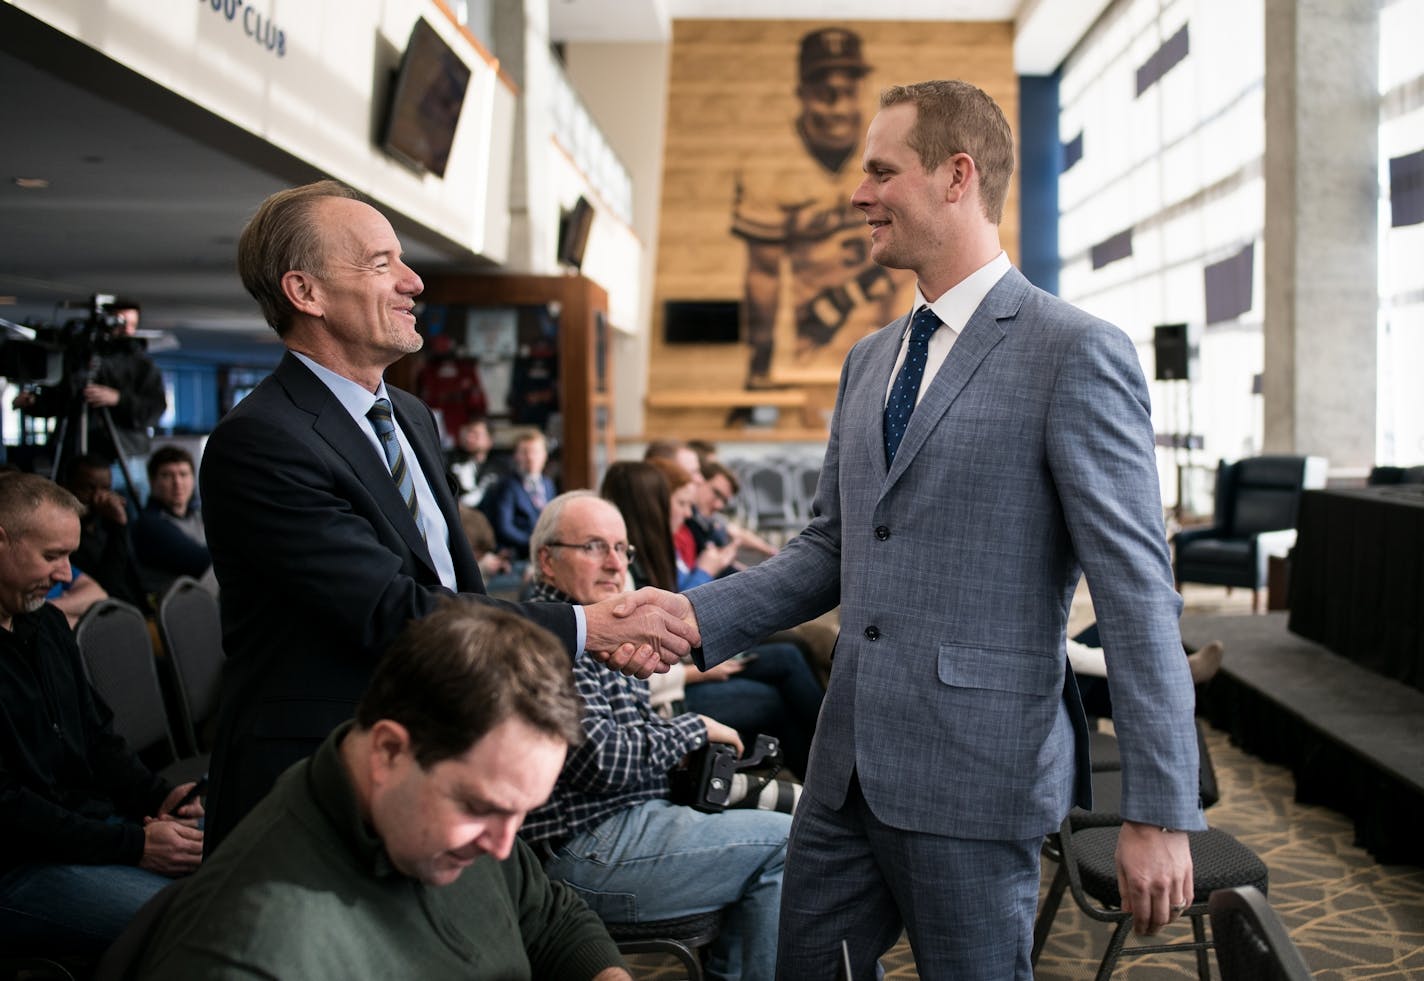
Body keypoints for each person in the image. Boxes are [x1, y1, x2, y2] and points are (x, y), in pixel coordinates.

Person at [658, 81, 1203, 979]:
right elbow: (830, 549)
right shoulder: (871, 358)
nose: (858, 193)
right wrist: (689, 618)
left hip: (976, 775)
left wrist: (1157, 809)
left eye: (881, 170)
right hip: (842, 772)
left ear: (957, 176)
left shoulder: (1074, 352)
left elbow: (1137, 594)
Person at [199, 181, 692, 855]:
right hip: (317, 784)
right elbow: (391, 611)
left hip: (433, 756)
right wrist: (587, 625)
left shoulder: (410, 416)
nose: (413, 280)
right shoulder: (262, 440)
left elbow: (459, 595)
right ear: (304, 292)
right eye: (381, 263)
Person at [135, 600, 631, 981]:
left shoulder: (449, 811)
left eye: (522, 813)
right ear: (390, 751)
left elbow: (550, 916)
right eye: (481, 808)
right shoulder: (253, 952)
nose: (503, 845)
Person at [521, 492, 789, 981]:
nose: (613, 563)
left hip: (629, 820)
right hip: (583, 849)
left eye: (622, 550)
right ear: (548, 561)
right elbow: (602, 761)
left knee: (800, 816)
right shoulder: (547, 638)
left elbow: (628, 737)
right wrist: (694, 728)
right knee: (790, 844)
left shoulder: (600, 623)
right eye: (594, 547)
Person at [0, 473, 203, 953]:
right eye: (52, 556)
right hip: (18, 866)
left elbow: (97, 737)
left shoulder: (47, 623)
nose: (67, 575)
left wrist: (158, 797)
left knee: (235, 873)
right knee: (193, 924)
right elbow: (9, 809)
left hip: (88, 831)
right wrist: (134, 847)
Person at [603, 461, 823, 779]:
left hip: (675, 668)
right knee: (778, 688)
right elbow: (640, 663)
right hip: (668, 691)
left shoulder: (655, 549)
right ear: (652, 508)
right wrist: (698, 673)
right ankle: (818, 776)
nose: (688, 513)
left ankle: (822, 767)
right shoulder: (624, 569)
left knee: (794, 649)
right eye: (680, 503)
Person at [730, 27, 911, 394]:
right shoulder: (769, 165)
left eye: (847, 92)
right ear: (802, 94)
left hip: (891, 331)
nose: (839, 107)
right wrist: (760, 361)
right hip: (814, 340)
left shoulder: (897, 149)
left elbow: (924, 244)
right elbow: (763, 273)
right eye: (825, 93)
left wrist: (849, 296)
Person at [14, 297, 166, 507]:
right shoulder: (79, 357)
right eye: (120, 323)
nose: (126, 331)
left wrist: (118, 399)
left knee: (125, 507)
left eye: (132, 324)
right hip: (74, 452)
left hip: (122, 454)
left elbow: (154, 410)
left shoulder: (142, 365)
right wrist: (35, 404)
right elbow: (66, 398)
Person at [61, 453, 149, 609]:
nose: (99, 498)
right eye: (89, 488)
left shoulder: (105, 526)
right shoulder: (65, 539)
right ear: (67, 487)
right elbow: (107, 587)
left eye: (106, 488)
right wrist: (118, 527)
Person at [132, 445, 213, 597]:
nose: (177, 483)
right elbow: (200, 561)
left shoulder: (200, 515)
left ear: (193, 479)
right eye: (167, 475)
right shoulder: (149, 525)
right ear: (152, 481)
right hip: (173, 608)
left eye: (183, 474)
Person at [481, 428, 556, 557]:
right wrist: (534, 544)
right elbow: (504, 527)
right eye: (525, 452)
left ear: (545, 455)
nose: (530, 457)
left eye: (535, 452)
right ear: (516, 456)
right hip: (519, 553)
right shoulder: (507, 486)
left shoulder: (548, 484)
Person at [446, 416, 500, 507]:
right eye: (467, 433)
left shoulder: (500, 468)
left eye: (476, 434)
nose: (469, 438)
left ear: (489, 440)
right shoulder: (448, 462)